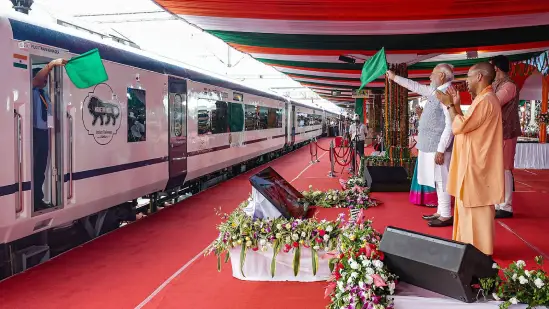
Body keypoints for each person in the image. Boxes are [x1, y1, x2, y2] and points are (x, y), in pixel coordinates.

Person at [436, 62, 504, 256]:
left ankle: (478, 252)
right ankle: (467, 248)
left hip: (477, 165)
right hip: (473, 163)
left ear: (480, 77)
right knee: (468, 209)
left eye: (468, 76)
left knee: (476, 209)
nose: (466, 81)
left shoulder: (486, 100)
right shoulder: (483, 99)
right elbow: (466, 124)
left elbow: (459, 128)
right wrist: (456, 105)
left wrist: (449, 104)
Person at [387, 64, 454, 227]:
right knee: (437, 180)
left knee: (442, 180)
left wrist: (441, 148)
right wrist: (394, 78)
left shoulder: (446, 94)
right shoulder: (436, 92)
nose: (430, 77)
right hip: (430, 145)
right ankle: (441, 211)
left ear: (442, 76)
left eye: (433, 74)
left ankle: (446, 214)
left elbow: (450, 124)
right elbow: (415, 86)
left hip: (438, 146)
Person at [32, 58, 67, 211]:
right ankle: (31, 201)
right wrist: (51, 65)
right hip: (33, 134)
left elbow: (50, 114)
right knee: (32, 169)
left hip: (44, 133)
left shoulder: (45, 94)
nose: (45, 81)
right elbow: (37, 80)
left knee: (40, 169)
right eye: (44, 78)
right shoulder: (31, 90)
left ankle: (37, 200)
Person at [490, 55, 521, 219]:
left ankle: (506, 206)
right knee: (497, 168)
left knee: (505, 168)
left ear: (496, 69)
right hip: (497, 132)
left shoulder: (508, 86)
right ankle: (498, 202)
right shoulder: (496, 84)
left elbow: (493, 102)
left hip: (506, 132)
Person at [409, 106, 438, 207]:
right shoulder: (424, 120)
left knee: (429, 173)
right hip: (423, 150)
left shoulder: (438, 122)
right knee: (422, 172)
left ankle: (431, 199)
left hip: (431, 150)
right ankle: (422, 198)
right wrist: (421, 116)